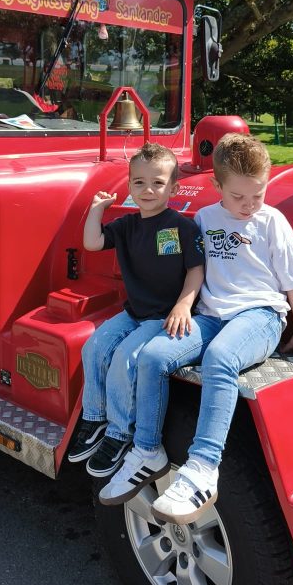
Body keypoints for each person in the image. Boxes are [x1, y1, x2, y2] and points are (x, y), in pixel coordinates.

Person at [99, 132, 293, 518]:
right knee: (153, 355)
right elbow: (191, 266)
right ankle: (147, 450)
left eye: (257, 195)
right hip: (210, 315)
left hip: (259, 316)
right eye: (238, 196)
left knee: (220, 360)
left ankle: (203, 468)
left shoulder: (272, 222)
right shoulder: (204, 218)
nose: (248, 205)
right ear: (217, 185)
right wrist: (179, 304)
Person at [66, 142, 205, 482]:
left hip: (162, 316)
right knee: (94, 347)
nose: (147, 190)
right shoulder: (128, 225)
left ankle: (118, 433)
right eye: (139, 182)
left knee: (126, 358)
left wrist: (183, 305)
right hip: (135, 311)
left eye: (157, 183)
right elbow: (93, 243)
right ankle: (95, 417)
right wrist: (97, 209)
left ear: (173, 188)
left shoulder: (181, 228)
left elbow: (196, 270)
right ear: (129, 186)